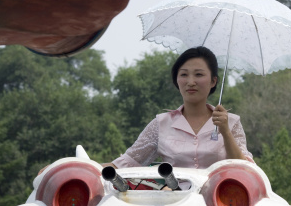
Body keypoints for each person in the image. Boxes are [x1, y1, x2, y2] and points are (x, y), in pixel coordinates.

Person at [105, 46, 253, 170]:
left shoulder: (231, 123)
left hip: (220, 202)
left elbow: (246, 169)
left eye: (199, 74)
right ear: (176, 79)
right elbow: (127, 164)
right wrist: (86, 167)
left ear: (213, 81)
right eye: (183, 74)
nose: (190, 82)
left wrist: (225, 132)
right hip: (174, 202)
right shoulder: (161, 124)